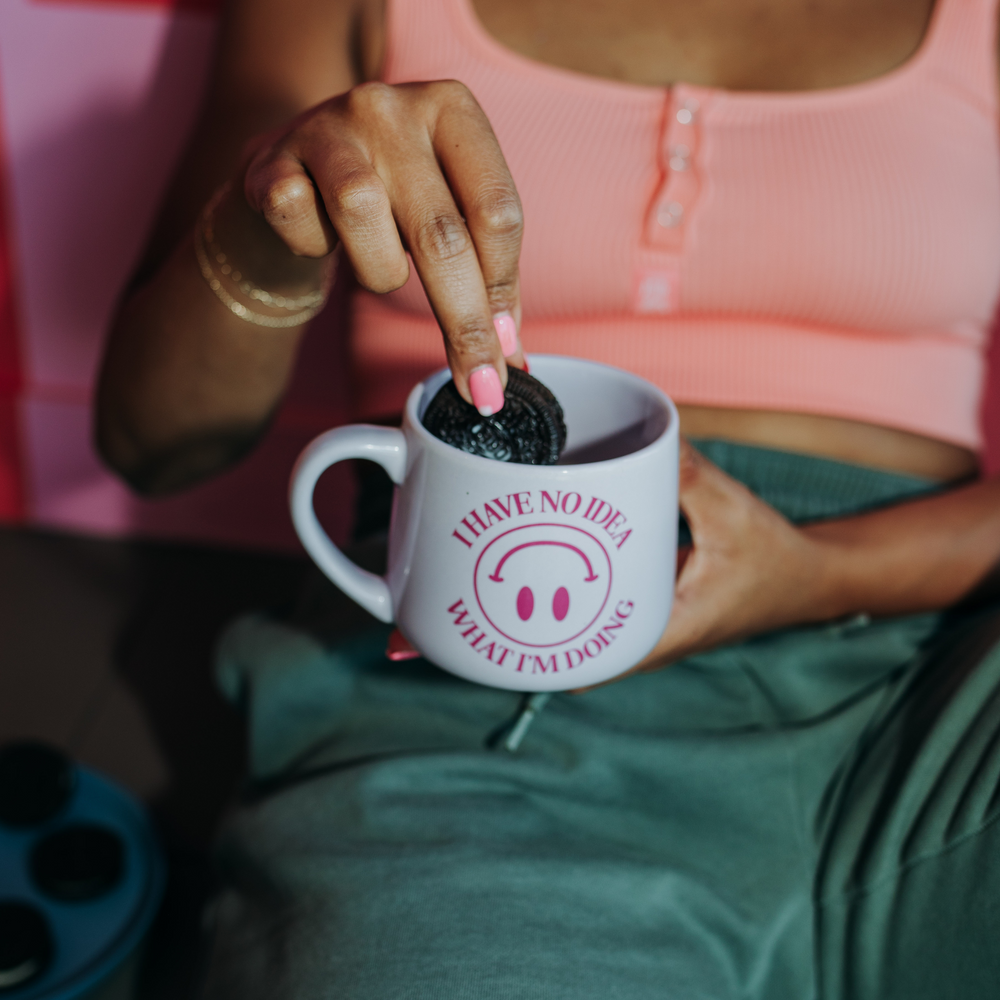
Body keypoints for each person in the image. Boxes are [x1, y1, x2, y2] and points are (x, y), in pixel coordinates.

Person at [96, 0, 1000, 995]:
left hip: (932, 677)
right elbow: (151, 445)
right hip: (470, 693)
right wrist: (264, 226)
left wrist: (822, 572)